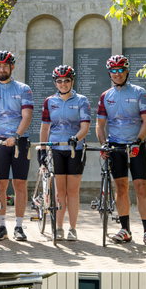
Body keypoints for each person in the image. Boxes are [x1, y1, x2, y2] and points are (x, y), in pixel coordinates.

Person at [96, 54, 146, 246]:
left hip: (136, 145)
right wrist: (104, 143)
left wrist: (138, 141)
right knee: (121, 188)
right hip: (115, 146)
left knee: (140, 187)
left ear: (127, 71)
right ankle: (125, 230)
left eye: (121, 70)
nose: (117, 73)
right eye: (113, 70)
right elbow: (100, 124)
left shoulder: (139, 92)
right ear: (109, 73)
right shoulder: (105, 96)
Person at [0, 51, 34, 241]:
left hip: (19, 140)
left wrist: (16, 135)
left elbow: (27, 116)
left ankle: (19, 226)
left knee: (20, 184)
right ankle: (2, 224)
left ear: (12, 67)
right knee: (1, 185)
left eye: (6, 66)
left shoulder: (23, 89)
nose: (2, 69)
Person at [40, 64, 90, 241]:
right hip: (56, 149)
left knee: (73, 191)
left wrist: (76, 138)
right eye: (59, 81)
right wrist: (43, 149)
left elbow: (85, 127)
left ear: (72, 81)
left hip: (74, 150)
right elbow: (45, 128)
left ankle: (73, 228)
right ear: (55, 83)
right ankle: (59, 228)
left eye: (66, 80)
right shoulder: (49, 102)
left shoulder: (81, 100)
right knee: (59, 190)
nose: (63, 84)